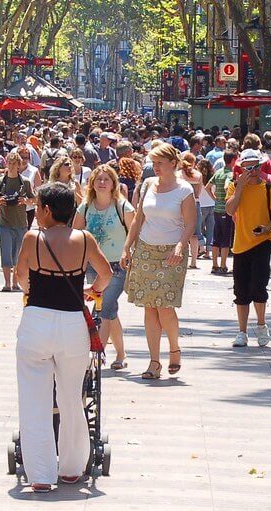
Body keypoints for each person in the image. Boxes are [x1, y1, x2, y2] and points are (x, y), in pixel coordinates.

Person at [14, 182, 112, 491]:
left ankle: (41, 474)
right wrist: (92, 291)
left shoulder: (33, 239)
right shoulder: (84, 240)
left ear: (45, 209)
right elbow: (106, 274)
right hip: (72, 325)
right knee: (72, 398)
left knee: (34, 401)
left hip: (37, 322)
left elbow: (21, 279)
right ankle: (71, 468)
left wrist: (33, 288)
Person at [121, 143, 194, 379]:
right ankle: (154, 362)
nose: (156, 168)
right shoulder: (148, 185)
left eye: (160, 163)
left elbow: (190, 223)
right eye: (154, 164)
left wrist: (181, 246)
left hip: (172, 252)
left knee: (165, 306)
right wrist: (127, 247)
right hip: (145, 250)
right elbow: (138, 219)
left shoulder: (184, 190)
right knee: (149, 306)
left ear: (173, 164)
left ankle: (174, 348)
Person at [73, 166, 134, 371]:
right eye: (98, 179)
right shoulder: (85, 207)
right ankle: (121, 353)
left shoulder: (122, 206)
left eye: (106, 179)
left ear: (113, 183)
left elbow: (134, 233)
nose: (102, 182)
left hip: (118, 264)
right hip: (94, 265)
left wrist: (130, 253)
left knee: (104, 307)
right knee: (109, 309)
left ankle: (97, 355)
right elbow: (75, 235)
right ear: (91, 183)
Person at [225, 149, 271, 348]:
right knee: (240, 290)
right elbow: (230, 209)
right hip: (241, 245)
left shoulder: (269, 188)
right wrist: (240, 187)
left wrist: (266, 228)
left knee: (259, 287)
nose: (253, 171)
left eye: (256, 166)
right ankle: (242, 332)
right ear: (241, 169)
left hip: (262, 242)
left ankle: (261, 325)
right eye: (248, 168)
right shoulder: (233, 186)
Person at [0, 151, 34, 292]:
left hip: (21, 223)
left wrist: (25, 201)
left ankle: (14, 282)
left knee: (18, 255)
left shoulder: (25, 182)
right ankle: (6, 283)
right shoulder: (0, 182)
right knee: (5, 253)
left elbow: (34, 200)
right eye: (9, 163)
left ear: (19, 165)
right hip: (5, 222)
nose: (11, 166)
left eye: (14, 164)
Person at [205, 150, 236, 275]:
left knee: (216, 237)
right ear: (233, 160)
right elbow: (227, 186)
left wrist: (215, 199)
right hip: (226, 210)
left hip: (217, 209)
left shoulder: (218, 172)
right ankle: (223, 265)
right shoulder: (230, 174)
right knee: (225, 238)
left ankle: (214, 264)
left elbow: (207, 187)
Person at [196, 157, 216, 259]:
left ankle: (201, 247)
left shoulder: (198, 177)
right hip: (212, 205)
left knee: (198, 229)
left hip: (201, 205)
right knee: (210, 230)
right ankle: (208, 252)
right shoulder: (213, 177)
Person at [18, 147, 43, 229]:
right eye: (22, 157)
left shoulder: (34, 171)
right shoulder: (11, 170)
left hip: (28, 208)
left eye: (26, 158)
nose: (24, 160)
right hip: (13, 208)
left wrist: (37, 207)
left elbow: (38, 191)